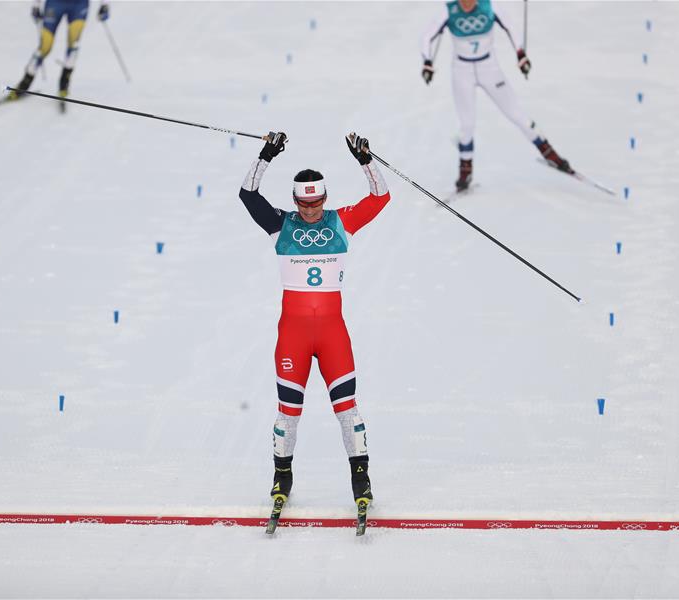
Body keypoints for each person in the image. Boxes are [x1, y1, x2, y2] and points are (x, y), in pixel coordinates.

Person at [238, 131, 391, 510]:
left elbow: (380, 198)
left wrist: (366, 161)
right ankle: (282, 477)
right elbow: (248, 195)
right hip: (293, 336)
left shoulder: (342, 222)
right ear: (295, 201)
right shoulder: (281, 225)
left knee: (347, 410)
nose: (310, 211)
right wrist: (265, 155)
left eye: (317, 202)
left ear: (325, 198)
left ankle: (361, 480)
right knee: (288, 414)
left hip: (332, 334)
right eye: (304, 204)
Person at [420, 0, 574, 191]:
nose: (466, 4)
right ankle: (465, 172)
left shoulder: (489, 6)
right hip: (462, 71)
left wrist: (521, 54)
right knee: (467, 124)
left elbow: (511, 27)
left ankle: (550, 154)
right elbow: (426, 36)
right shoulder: (448, 10)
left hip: (489, 68)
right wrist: (427, 62)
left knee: (517, 115)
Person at [7, 0, 110, 103]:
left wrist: (104, 5)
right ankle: (25, 82)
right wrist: (36, 5)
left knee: (74, 43)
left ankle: (64, 83)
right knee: (45, 46)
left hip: (79, 5)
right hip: (54, 4)